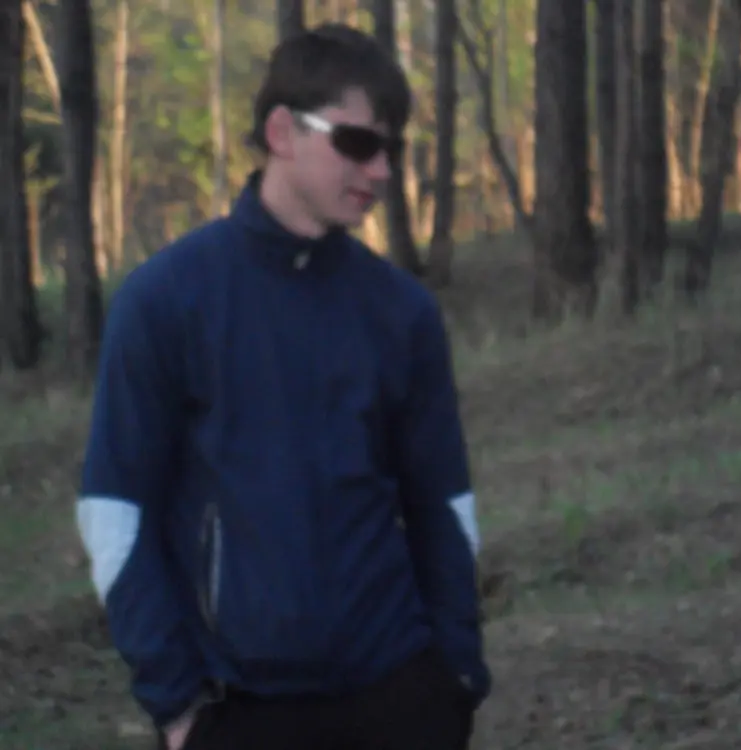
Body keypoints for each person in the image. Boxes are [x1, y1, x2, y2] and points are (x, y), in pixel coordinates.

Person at [75, 21, 491, 750]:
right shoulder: (166, 300)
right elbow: (115, 512)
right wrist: (178, 705)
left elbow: (443, 505)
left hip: (401, 696)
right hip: (239, 708)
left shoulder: (402, 313)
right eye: (357, 143)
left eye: (390, 149)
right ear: (280, 132)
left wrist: (454, 677)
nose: (380, 170)